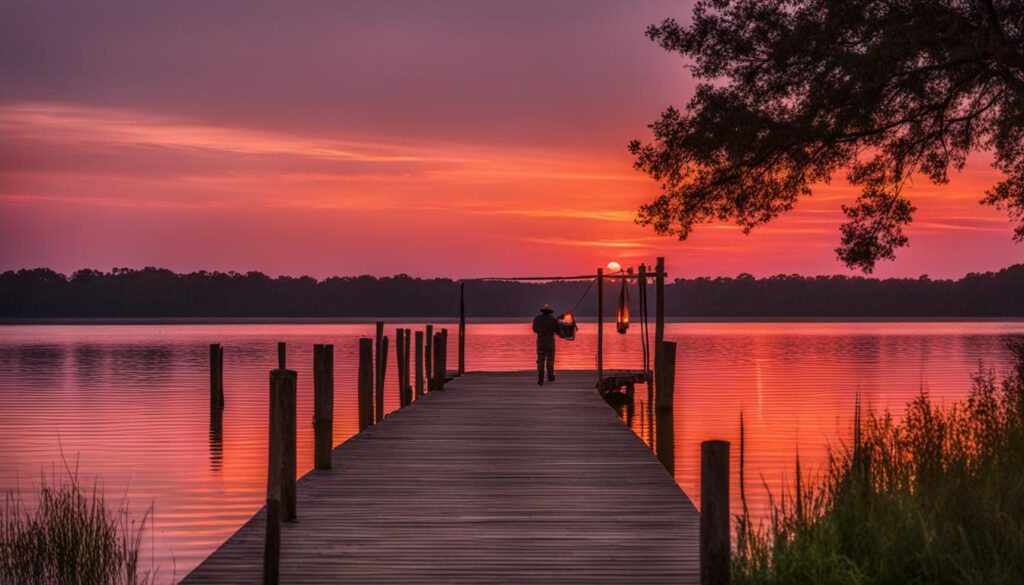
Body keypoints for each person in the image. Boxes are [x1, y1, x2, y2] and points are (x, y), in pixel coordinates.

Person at [532, 304, 559, 385]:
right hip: (550, 341)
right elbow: (557, 331)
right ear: (549, 312)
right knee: (550, 359)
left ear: (543, 312)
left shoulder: (537, 319)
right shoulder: (553, 319)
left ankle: (540, 378)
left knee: (540, 359)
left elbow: (535, 330)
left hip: (540, 341)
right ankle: (550, 376)